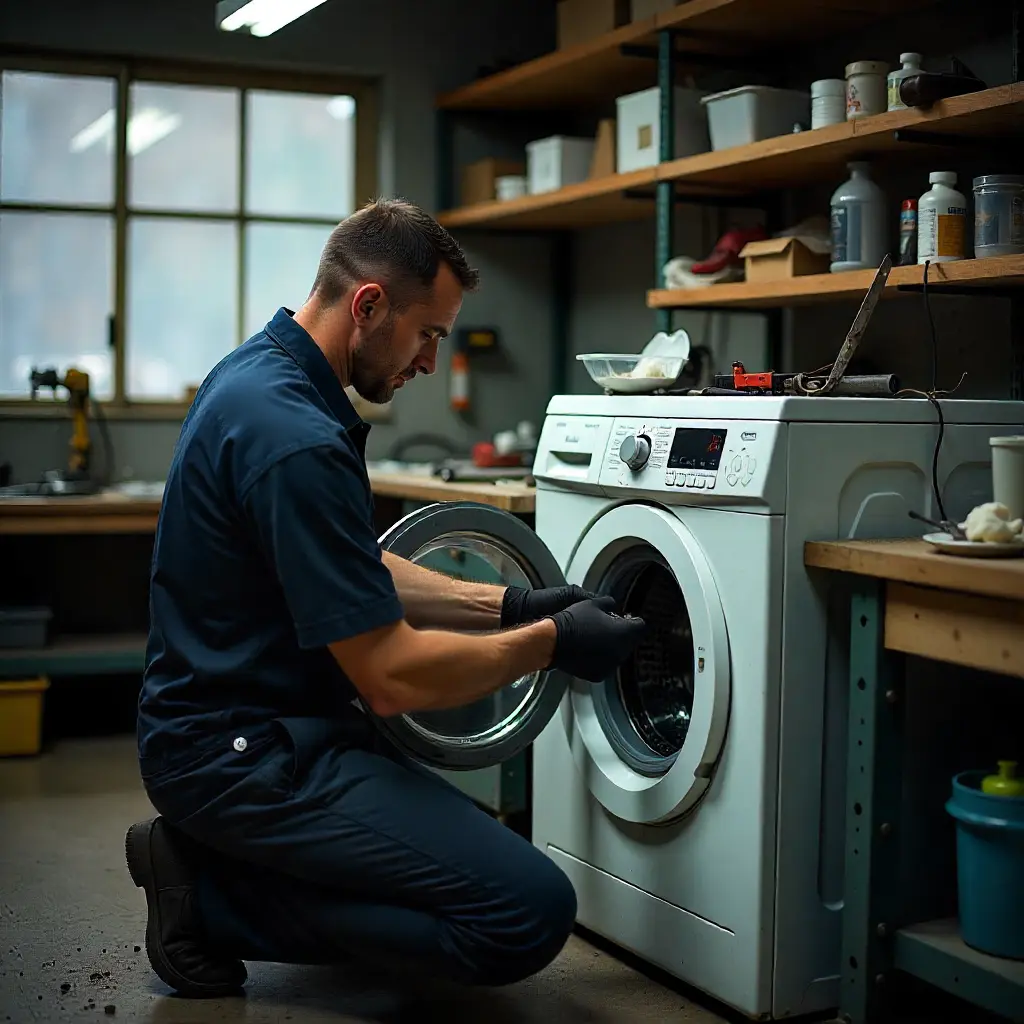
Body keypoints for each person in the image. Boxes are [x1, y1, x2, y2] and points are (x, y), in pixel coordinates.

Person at [126, 197, 646, 999]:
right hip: (240, 756)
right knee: (526, 912)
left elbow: (347, 565)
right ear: (368, 305)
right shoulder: (294, 436)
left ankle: (220, 865)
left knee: (449, 866)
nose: (431, 361)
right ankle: (208, 898)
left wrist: (512, 606)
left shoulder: (260, 375)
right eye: (428, 334)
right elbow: (392, 677)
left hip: (252, 730)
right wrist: (553, 644)